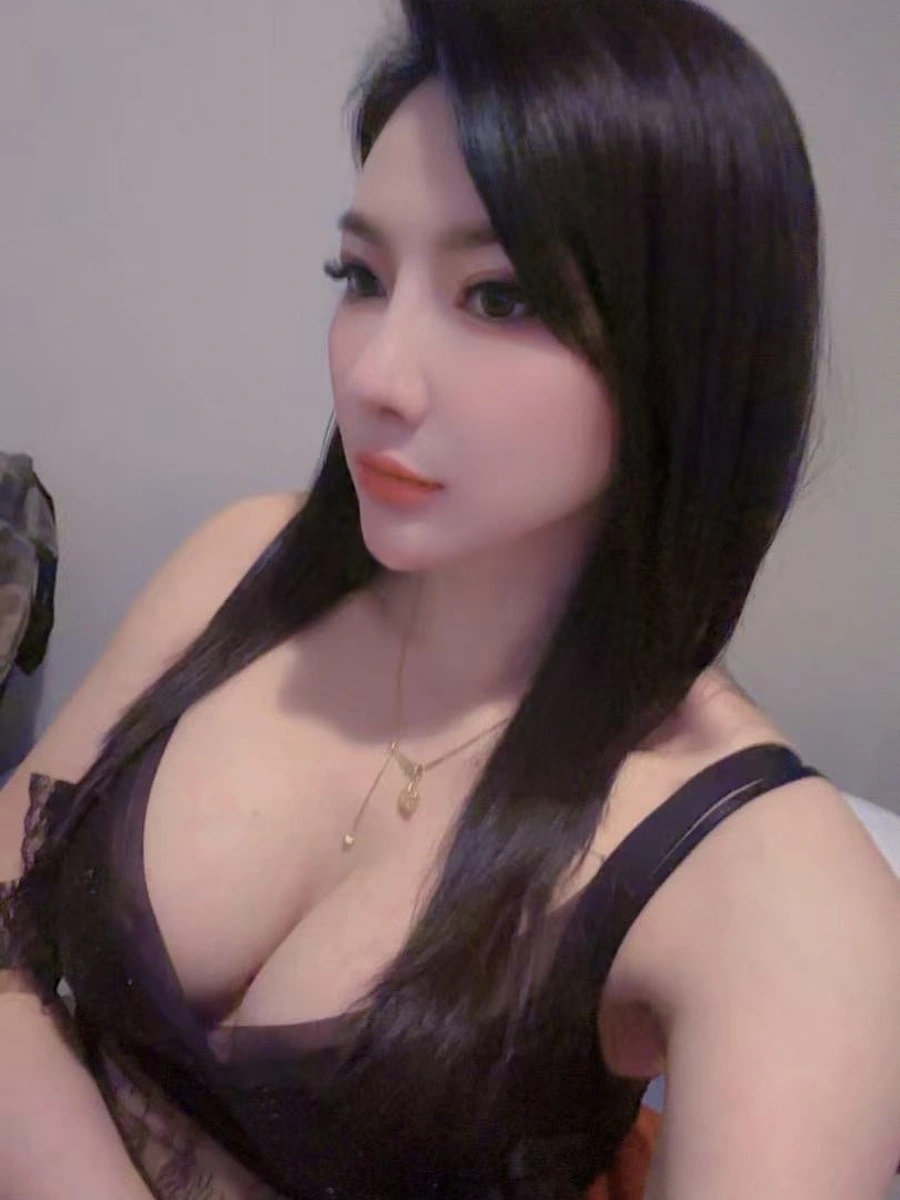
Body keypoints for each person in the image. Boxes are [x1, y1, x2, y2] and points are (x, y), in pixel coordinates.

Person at [1, 0, 898, 1197]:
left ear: (688, 345)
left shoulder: (775, 882)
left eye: (498, 297)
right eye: (362, 277)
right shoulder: (246, 562)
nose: (375, 374)